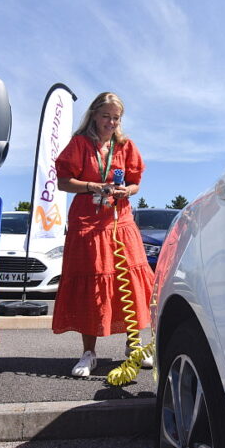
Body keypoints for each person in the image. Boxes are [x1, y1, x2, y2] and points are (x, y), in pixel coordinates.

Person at [53, 92, 154, 377]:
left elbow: (135, 184)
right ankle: (89, 353)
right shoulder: (79, 144)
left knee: (130, 282)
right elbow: (62, 182)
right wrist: (93, 187)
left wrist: (126, 190)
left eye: (116, 118)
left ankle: (133, 346)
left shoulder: (126, 146)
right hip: (87, 223)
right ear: (94, 115)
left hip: (120, 221)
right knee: (92, 285)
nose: (111, 122)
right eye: (106, 116)